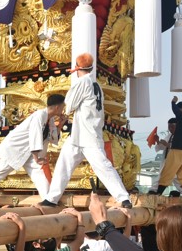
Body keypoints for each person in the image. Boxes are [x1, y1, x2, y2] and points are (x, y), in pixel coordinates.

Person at [40, 52, 132, 209]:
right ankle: (52, 198)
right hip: (80, 134)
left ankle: (123, 198)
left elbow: (69, 105)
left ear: (77, 68)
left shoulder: (83, 83)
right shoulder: (96, 85)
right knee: (64, 163)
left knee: (102, 167)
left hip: (88, 135)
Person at [0, 95, 63, 209]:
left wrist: (61, 124)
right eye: (63, 106)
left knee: (39, 175)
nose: (63, 109)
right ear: (57, 107)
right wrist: (37, 158)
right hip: (15, 149)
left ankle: (48, 200)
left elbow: (52, 138)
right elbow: (35, 135)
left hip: (30, 152)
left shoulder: (50, 119)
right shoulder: (40, 115)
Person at [155, 96, 182, 196]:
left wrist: (173, 103)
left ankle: (159, 193)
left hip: (178, 149)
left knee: (168, 170)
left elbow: (176, 112)